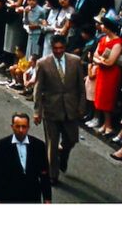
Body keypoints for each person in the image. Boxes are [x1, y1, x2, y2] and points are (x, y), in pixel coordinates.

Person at [33, 35, 86, 184]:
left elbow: (81, 87)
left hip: (71, 107)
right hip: (51, 108)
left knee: (71, 139)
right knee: (52, 143)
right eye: (55, 48)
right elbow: (37, 89)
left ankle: (64, 155)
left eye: (61, 48)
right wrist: (37, 111)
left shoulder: (75, 61)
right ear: (51, 48)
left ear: (65, 47)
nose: (58, 51)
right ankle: (52, 175)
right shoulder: (43, 64)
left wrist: (82, 105)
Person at [0, 112, 52, 203]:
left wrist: (47, 198)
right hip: (9, 196)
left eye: (24, 127)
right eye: (17, 126)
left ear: (28, 127)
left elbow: (44, 174)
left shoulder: (38, 146)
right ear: (12, 127)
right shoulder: (1, 146)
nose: (21, 130)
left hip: (32, 196)